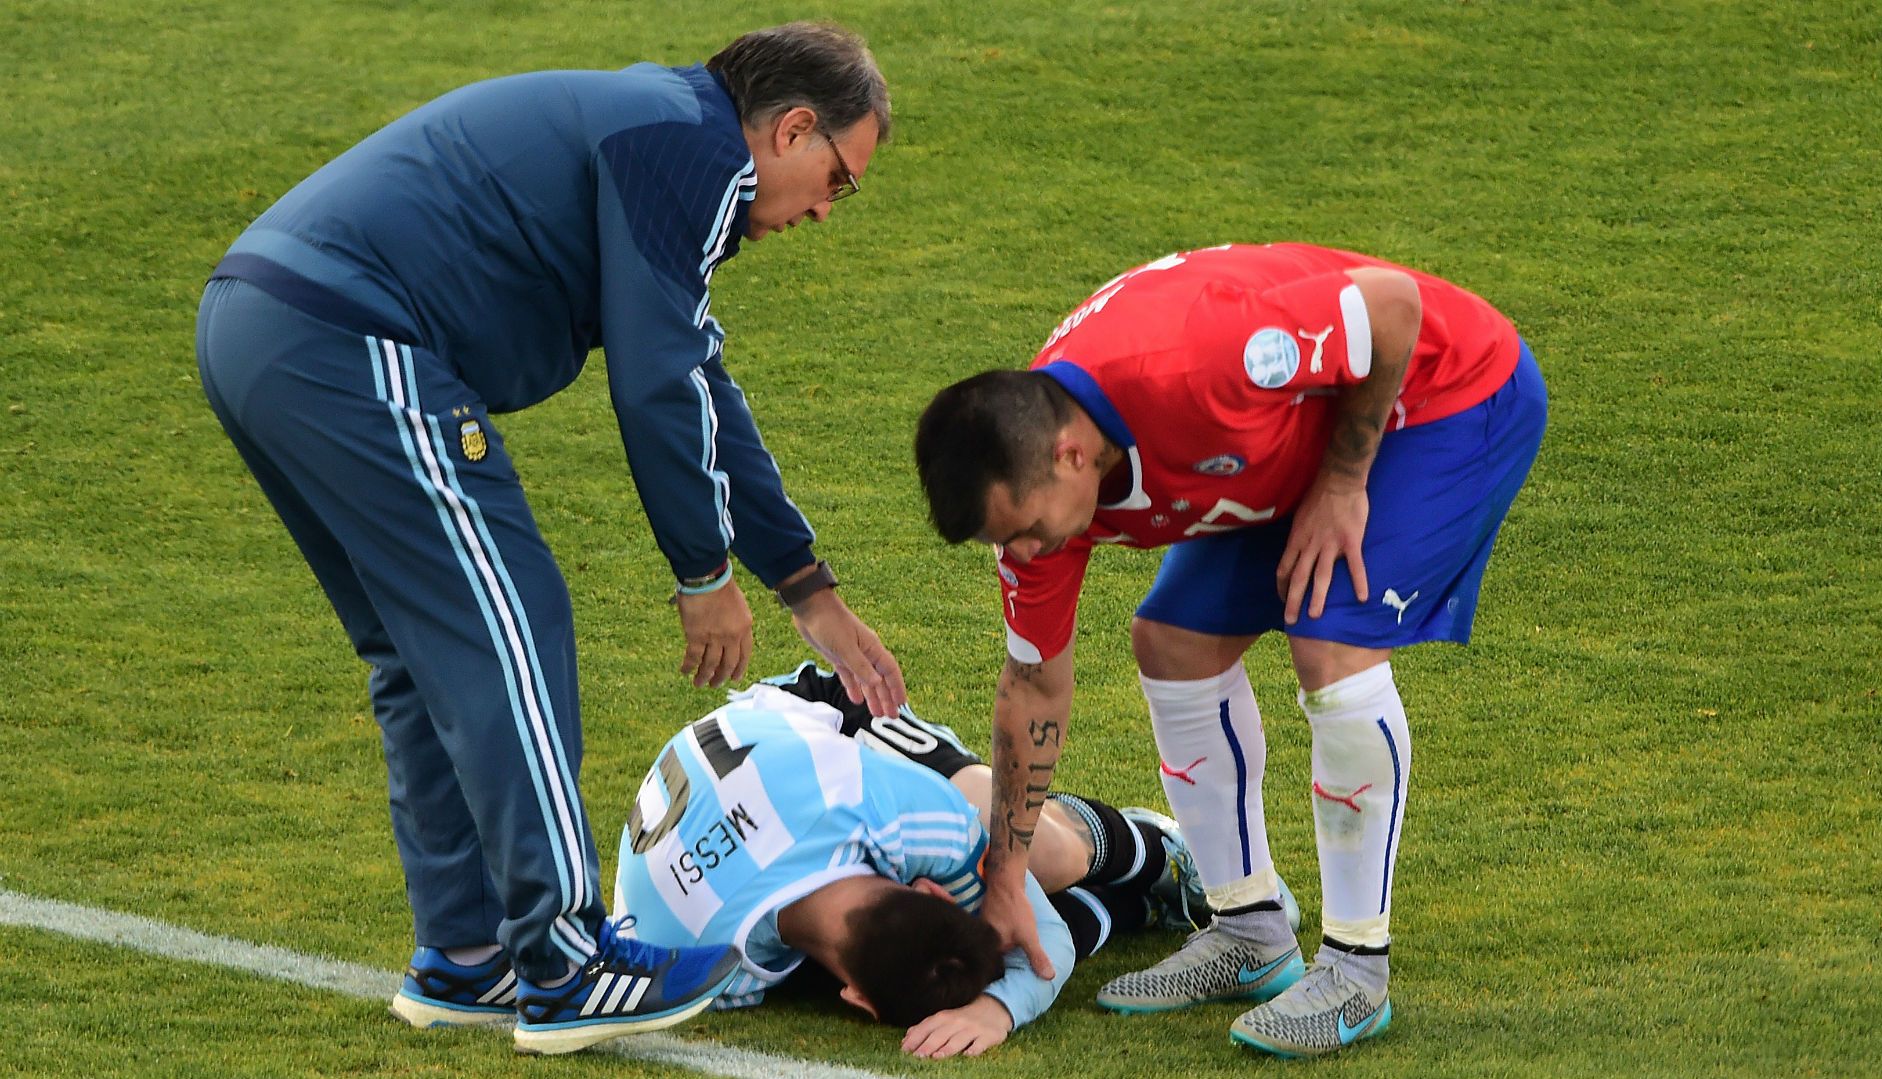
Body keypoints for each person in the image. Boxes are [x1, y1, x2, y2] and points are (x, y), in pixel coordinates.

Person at [193, 23, 908, 1056]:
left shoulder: (662, 129)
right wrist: (701, 572)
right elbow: (655, 383)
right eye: (838, 178)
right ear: (792, 129)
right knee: (509, 627)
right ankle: (564, 959)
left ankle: (465, 955)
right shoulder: (693, 151)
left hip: (260, 325)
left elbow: (698, 378)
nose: (826, 211)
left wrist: (807, 585)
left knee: (420, 649)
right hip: (351, 336)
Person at [913, 242, 1548, 1057]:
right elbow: (1032, 685)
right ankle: (1249, 931)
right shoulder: (1032, 495)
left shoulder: (1199, 362)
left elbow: (1390, 307)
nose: (1027, 554)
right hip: (1292, 435)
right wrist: (1006, 874)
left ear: (1073, 456)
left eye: (1029, 529)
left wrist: (1344, 481)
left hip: (1442, 396)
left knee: (1329, 636)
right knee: (1171, 640)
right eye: (1009, 541)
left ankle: (1356, 970)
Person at [611, 662, 1281, 1059]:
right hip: (774, 788)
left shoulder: (894, 810)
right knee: (941, 967)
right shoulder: (708, 976)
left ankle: (1156, 847)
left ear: (927, 885)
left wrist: (999, 1010)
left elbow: (1036, 932)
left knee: (1038, 856)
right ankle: (1129, 908)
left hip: (828, 722)